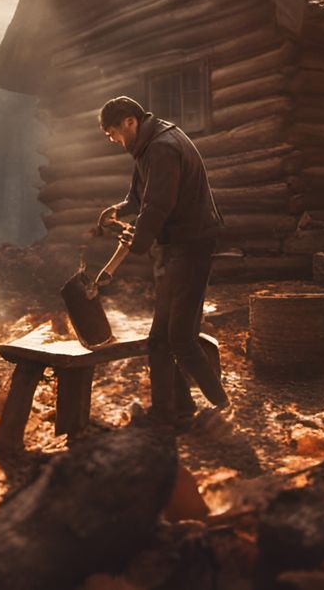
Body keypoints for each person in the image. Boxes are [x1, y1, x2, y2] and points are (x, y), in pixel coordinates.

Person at [94, 96, 229, 426]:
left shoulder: (162, 148)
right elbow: (141, 196)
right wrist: (119, 210)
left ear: (130, 122)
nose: (113, 140)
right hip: (180, 247)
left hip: (191, 246)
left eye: (113, 133)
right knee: (164, 339)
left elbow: (157, 206)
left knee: (178, 339)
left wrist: (137, 242)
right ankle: (177, 410)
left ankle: (216, 406)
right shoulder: (148, 146)